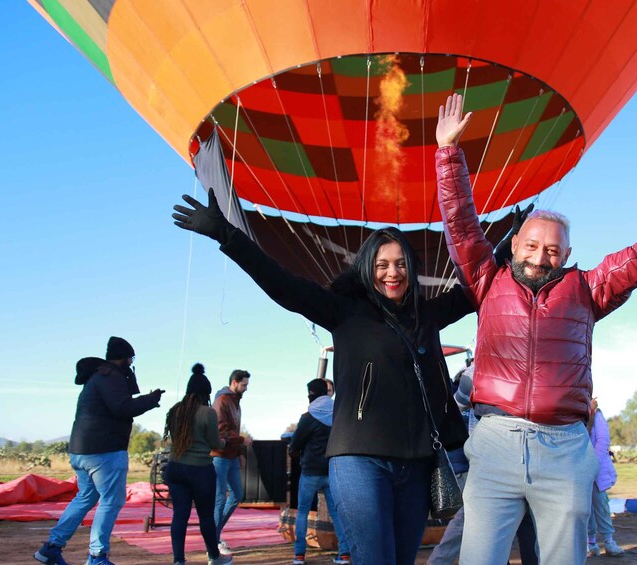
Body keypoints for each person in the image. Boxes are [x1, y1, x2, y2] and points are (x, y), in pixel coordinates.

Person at [434, 93, 637, 565]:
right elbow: (460, 224)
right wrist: (448, 152)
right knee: (478, 558)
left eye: (553, 249)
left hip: (563, 446)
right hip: (496, 442)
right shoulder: (488, 281)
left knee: (564, 558)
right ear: (515, 244)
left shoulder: (588, 289)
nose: (541, 255)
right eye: (532, 245)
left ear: (566, 254)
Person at [172, 196, 471, 565]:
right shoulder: (343, 310)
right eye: (381, 265)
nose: (392, 273)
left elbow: (477, 286)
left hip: (418, 465)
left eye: (399, 263)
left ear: (411, 266)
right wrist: (226, 235)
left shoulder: (428, 314)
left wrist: (510, 248)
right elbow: (282, 284)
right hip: (361, 463)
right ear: (366, 269)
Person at [34, 337, 164, 565]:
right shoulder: (111, 376)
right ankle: (97, 556)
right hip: (104, 451)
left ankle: (51, 548)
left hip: (81, 451)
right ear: (124, 358)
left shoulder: (97, 376)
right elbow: (122, 408)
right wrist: (150, 400)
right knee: (111, 501)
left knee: (85, 497)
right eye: (131, 359)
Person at [427, 366, 538, 565]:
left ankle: (438, 561)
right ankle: (438, 561)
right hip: (501, 461)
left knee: (492, 523)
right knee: (483, 520)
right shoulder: (480, 373)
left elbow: (453, 411)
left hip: (487, 462)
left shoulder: (477, 373)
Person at [163, 364, 232, 565]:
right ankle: (214, 556)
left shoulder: (175, 410)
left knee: (180, 516)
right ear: (206, 393)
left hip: (175, 468)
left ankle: (178, 561)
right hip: (200, 470)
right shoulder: (207, 412)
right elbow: (215, 444)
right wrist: (226, 442)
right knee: (206, 517)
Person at [289, 379, 350, 565]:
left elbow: (295, 444)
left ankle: (299, 555)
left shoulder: (308, 417)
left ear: (311, 393)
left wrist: (295, 451)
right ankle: (344, 553)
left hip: (309, 472)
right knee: (336, 512)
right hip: (330, 470)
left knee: (302, 512)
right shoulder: (337, 414)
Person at [211, 369, 252, 555]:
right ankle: (213, 541)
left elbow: (233, 429)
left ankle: (214, 535)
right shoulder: (222, 401)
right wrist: (242, 441)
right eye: (244, 385)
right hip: (219, 455)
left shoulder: (235, 402)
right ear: (234, 382)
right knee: (219, 499)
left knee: (237, 494)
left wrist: (240, 452)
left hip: (232, 455)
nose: (246, 388)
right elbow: (220, 430)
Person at [587, 398, 623, 558]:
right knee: (584, 508)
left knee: (600, 505)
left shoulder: (597, 416)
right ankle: (591, 543)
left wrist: (591, 463)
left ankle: (609, 541)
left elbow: (602, 441)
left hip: (595, 469)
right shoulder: (573, 414)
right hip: (577, 469)